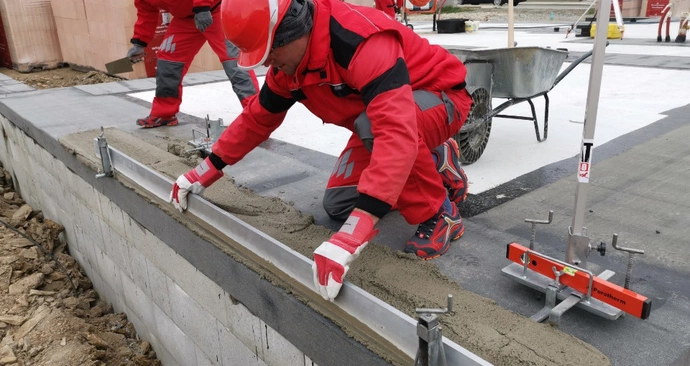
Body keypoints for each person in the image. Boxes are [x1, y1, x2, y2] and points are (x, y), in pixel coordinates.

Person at [169, 0, 472, 302]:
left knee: (375, 142)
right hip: (380, 120)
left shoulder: (359, 42)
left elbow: (396, 131)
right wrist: (204, 171)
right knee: (341, 204)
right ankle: (436, 159)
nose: (265, 63)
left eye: (269, 51)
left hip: (438, 100)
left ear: (293, 30)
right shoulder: (290, 67)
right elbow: (257, 118)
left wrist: (353, 236)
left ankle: (441, 213)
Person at [126, 0, 260, 128]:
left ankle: (257, 115)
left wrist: (202, 7)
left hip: (214, 10)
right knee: (168, 61)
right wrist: (139, 43)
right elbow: (147, 15)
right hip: (185, 19)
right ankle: (164, 114)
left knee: (234, 61)